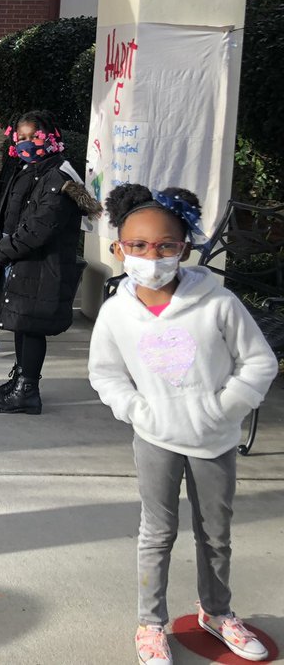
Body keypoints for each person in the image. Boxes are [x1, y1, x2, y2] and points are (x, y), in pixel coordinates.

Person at [89, 184, 276, 665]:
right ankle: (151, 623)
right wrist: (135, 409)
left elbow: (258, 362)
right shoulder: (116, 313)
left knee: (216, 531)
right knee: (157, 531)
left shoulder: (218, 303)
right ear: (119, 249)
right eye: (138, 245)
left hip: (213, 439)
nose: (152, 256)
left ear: (185, 248)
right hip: (154, 437)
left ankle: (217, 611)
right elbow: (105, 372)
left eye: (166, 245)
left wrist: (224, 408)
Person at [0, 111, 101, 414]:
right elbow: (5, 214)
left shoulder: (58, 178)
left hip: (41, 266)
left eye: (35, 136)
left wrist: (3, 251)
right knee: (21, 322)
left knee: (30, 326)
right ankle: (20, 378)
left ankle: (28, 390)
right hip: (20, 263)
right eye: (21, 137)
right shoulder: (26, 170)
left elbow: (40, 227)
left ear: (51, 138)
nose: (27, 143)